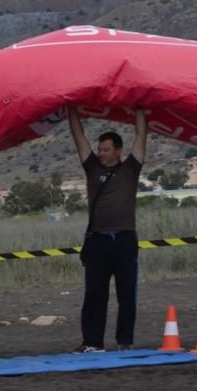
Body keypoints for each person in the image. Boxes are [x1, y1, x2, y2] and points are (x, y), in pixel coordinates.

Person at [67, 105, 147, 352]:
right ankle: (92, 342)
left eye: (106, 150)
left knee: (126, 294)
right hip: (98, 242)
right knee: (94, 294)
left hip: (124, 240)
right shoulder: (92, 168)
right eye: (99, 149)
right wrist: (71, 108)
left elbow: (141, 136)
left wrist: (139, 109)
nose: (101, 153)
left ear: (118, 151)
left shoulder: (131, 169)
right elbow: (78, 136)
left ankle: (125, 342)